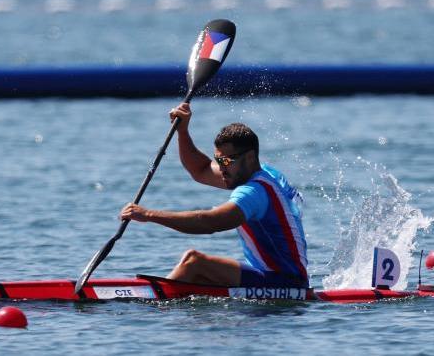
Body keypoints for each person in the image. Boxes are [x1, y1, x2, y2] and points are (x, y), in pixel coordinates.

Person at [120, 103, 308, 288]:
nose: (221, 167)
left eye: (226, 161)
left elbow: (210, 223)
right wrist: (183, 131)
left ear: (250, 157)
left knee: (193, 261)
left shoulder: (254, 192)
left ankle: (148, 302)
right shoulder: (265, 174)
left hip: (287, 282)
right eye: (219, 160)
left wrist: (148, 215)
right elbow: (200, 169)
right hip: (272, 277)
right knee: (196, 279)